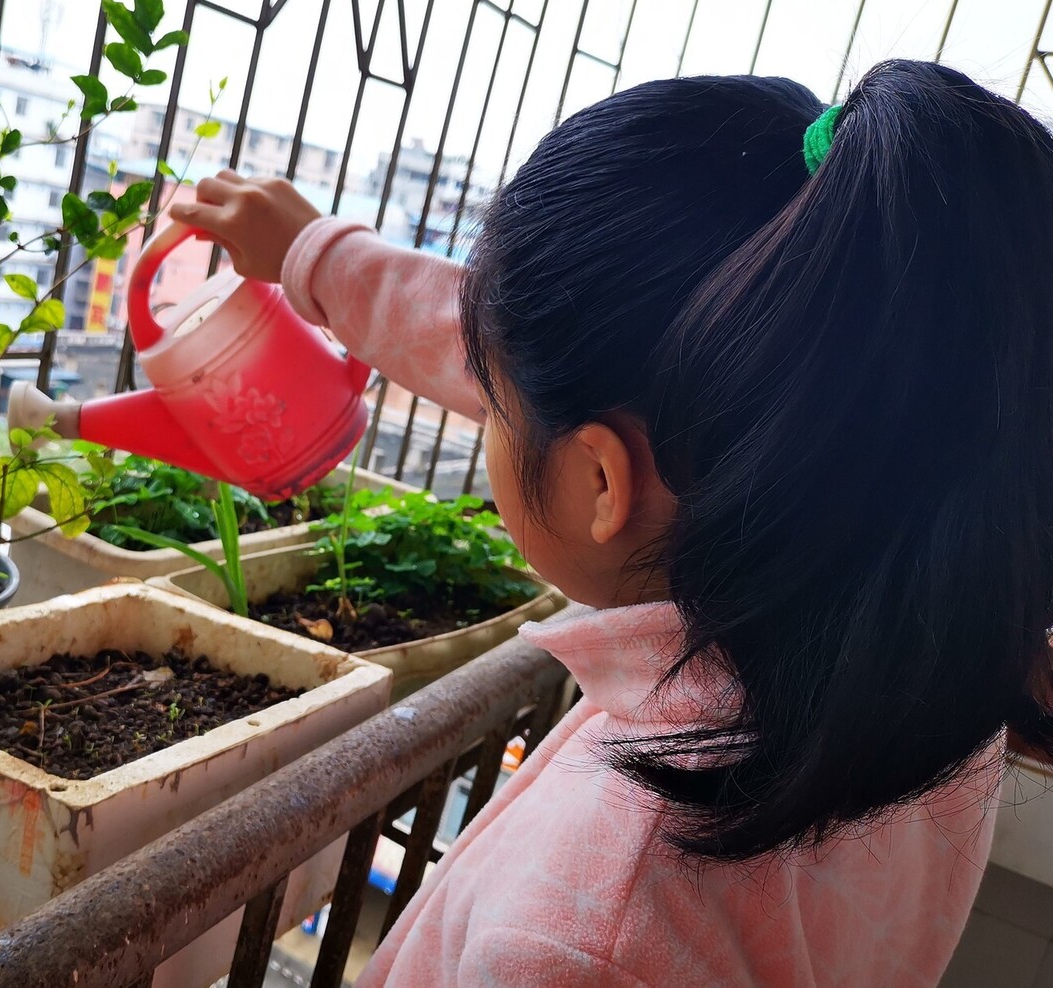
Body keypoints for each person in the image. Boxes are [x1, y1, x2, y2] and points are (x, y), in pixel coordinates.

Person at [168, 59, 1053, 986]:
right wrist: (320, 257)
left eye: (495, 406)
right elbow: (566, 359)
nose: (483, 411)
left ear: (602, 478)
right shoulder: (928, 662)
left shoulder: (582, 940)